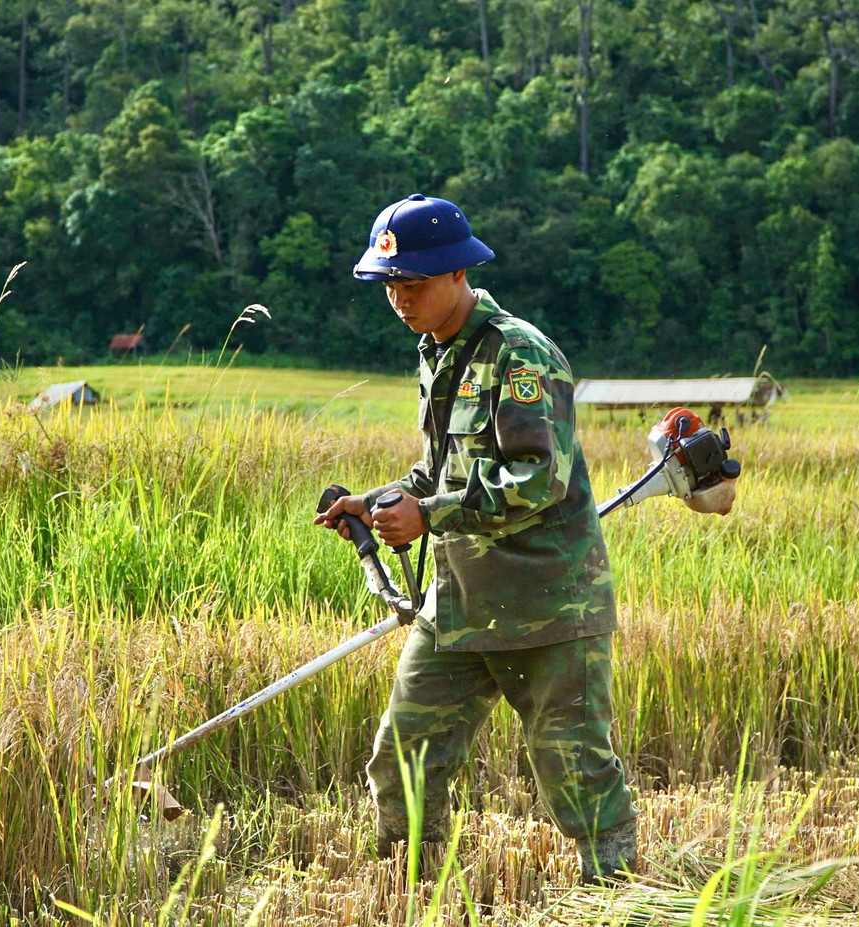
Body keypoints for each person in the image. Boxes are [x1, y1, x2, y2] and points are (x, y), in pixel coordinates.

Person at [314, 193, 735, 884]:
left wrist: (431, 515)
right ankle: (412, 887)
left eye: (413, 283)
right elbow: (440, 471)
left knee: (573, 767)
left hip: (548, 603)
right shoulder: (436, 354)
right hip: (460, 604)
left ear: (457, 273)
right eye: (390, 284)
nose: (399, 299)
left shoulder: (520, 355)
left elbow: (537, 477)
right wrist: (386, 499)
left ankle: (615, 894)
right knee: (402, 755)